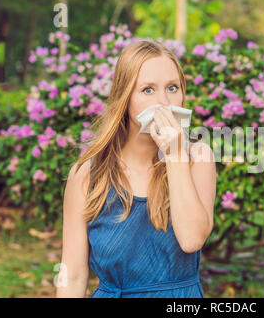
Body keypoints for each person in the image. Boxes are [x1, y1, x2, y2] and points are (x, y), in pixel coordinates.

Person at [56, 39, 217, 298]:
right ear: (124, 98)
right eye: (148, 90)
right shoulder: (87, 174)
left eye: (172, 88)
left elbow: (191, 240)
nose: (164, 102)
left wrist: (174, 155)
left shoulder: (198, 159)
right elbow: (72, 274)